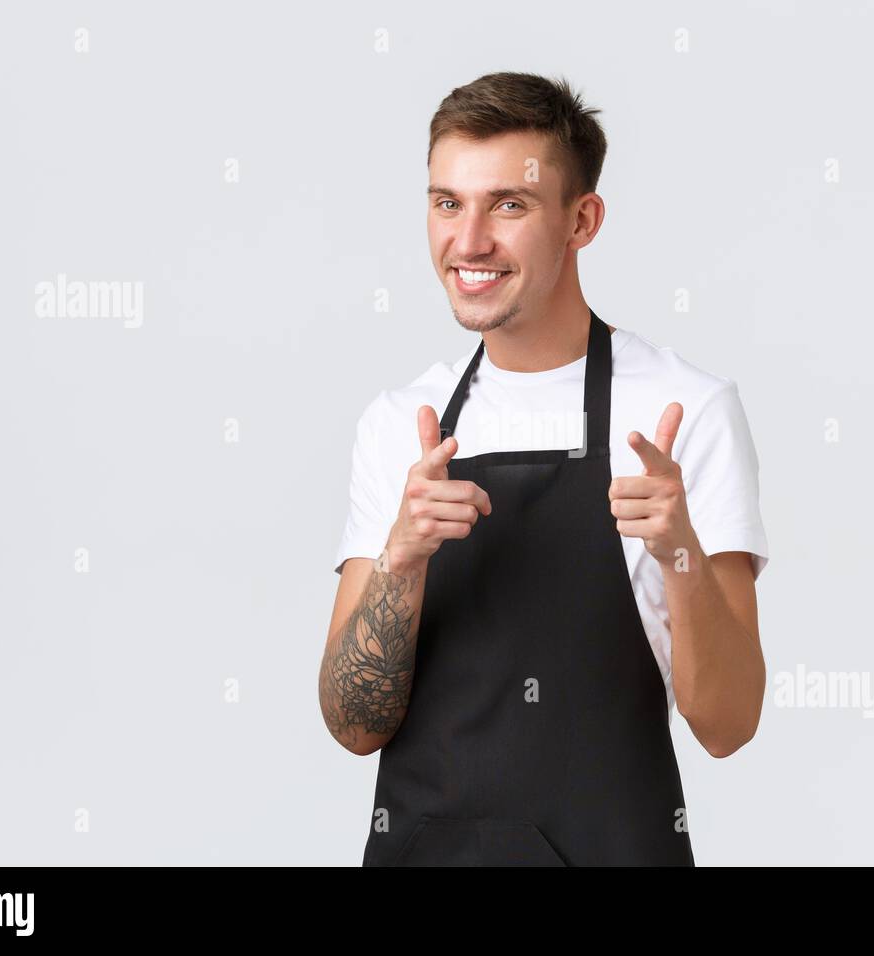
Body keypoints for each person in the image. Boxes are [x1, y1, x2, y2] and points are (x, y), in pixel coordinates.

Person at [320, 72, 769, 866]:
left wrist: (679, 550)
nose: (469, 242)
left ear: (582, 220)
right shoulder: (400, 423)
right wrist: (401, 557)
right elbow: (353, 725)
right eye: (448, 203)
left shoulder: (682, 408)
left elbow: (728, 724)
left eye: (510, 204)